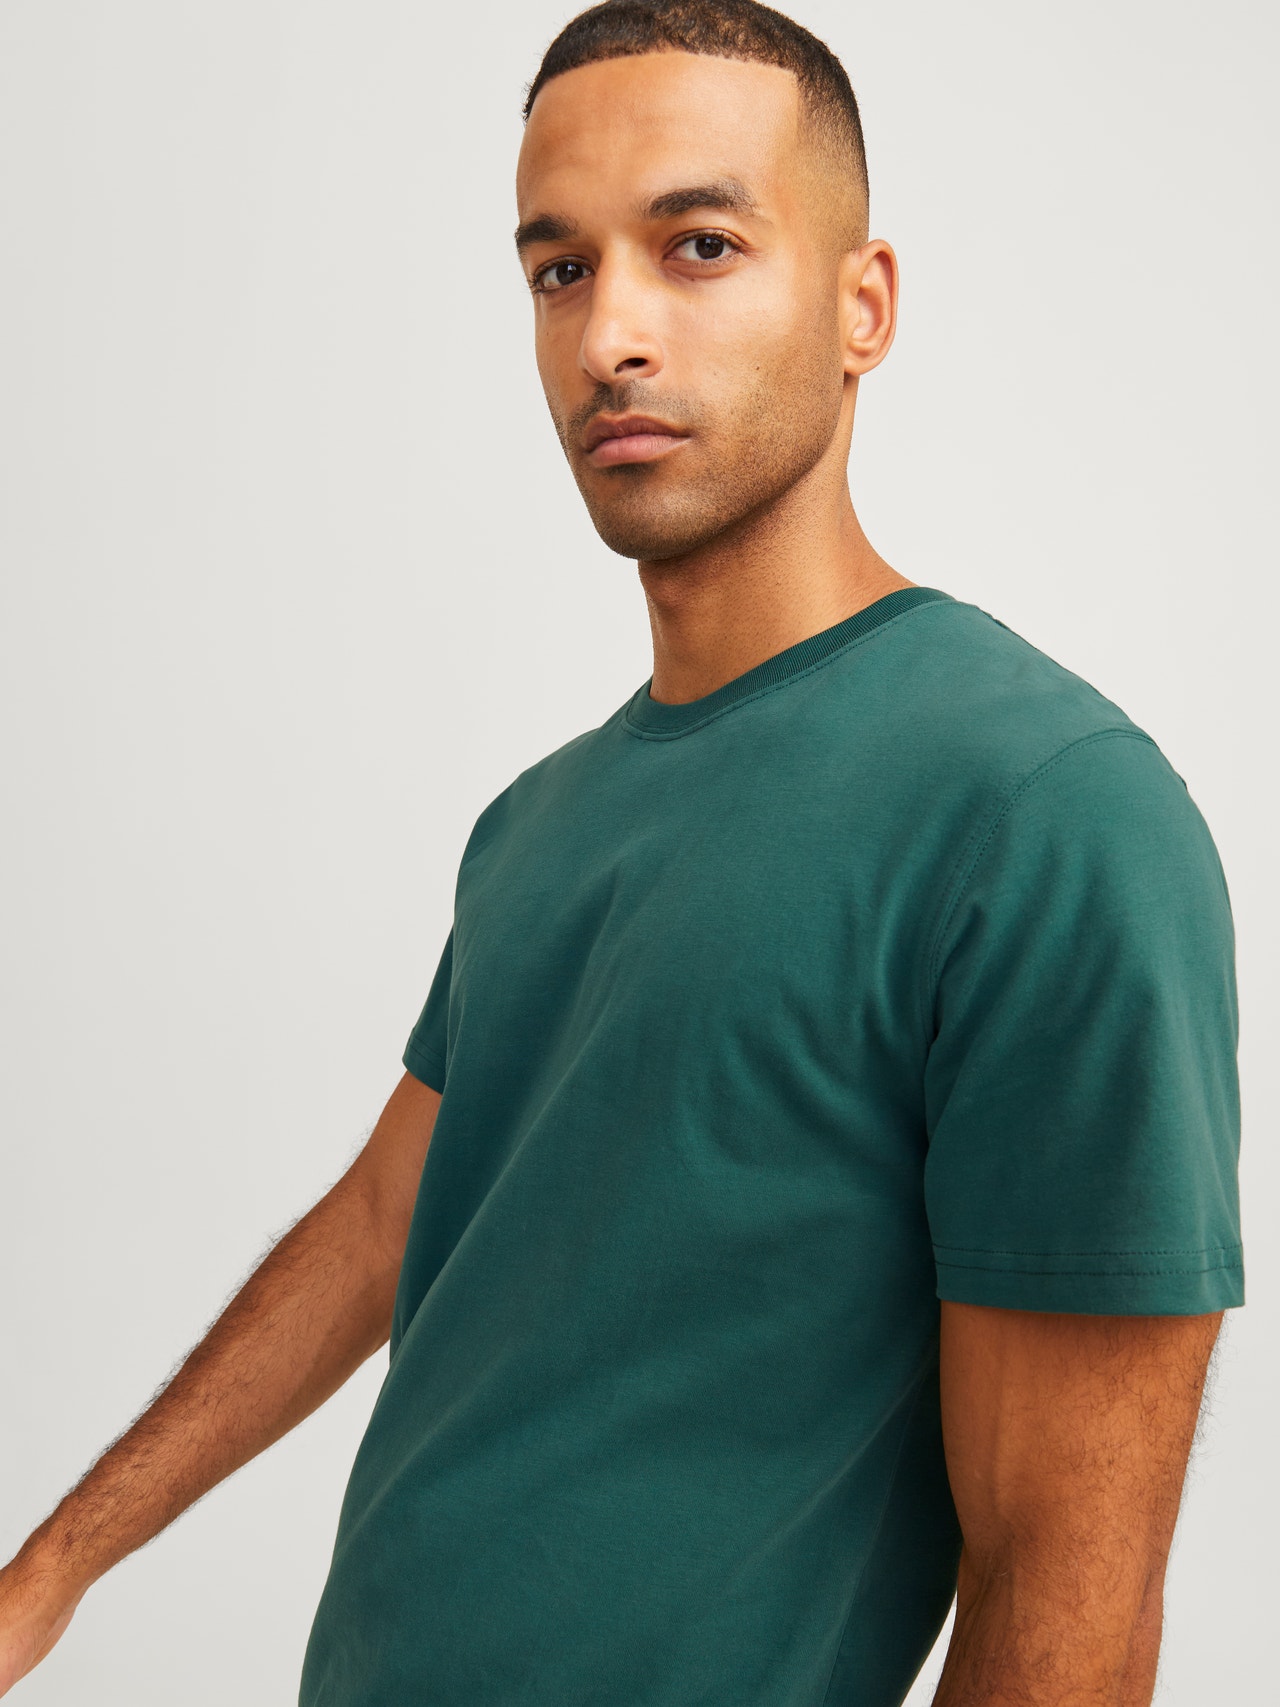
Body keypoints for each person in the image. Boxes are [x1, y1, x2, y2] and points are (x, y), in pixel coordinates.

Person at [0, 2, 1246, 1703]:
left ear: (864, 306)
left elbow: (1070, 1607)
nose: (611, 337)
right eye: (560, 269)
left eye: (699, 247)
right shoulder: (540, 822)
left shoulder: (1046, 812)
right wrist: (52, 1571)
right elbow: (384, 1220)